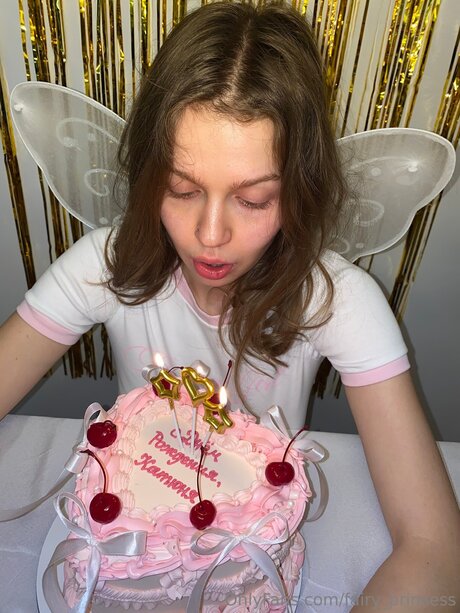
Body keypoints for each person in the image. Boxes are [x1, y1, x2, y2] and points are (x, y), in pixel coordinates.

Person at [0, 1, 458, 609]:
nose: (209, 235)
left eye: (254, 199)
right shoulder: (103, 265)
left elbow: (434, 547)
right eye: (181, 189)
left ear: (300, 189)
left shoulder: (339, 300)